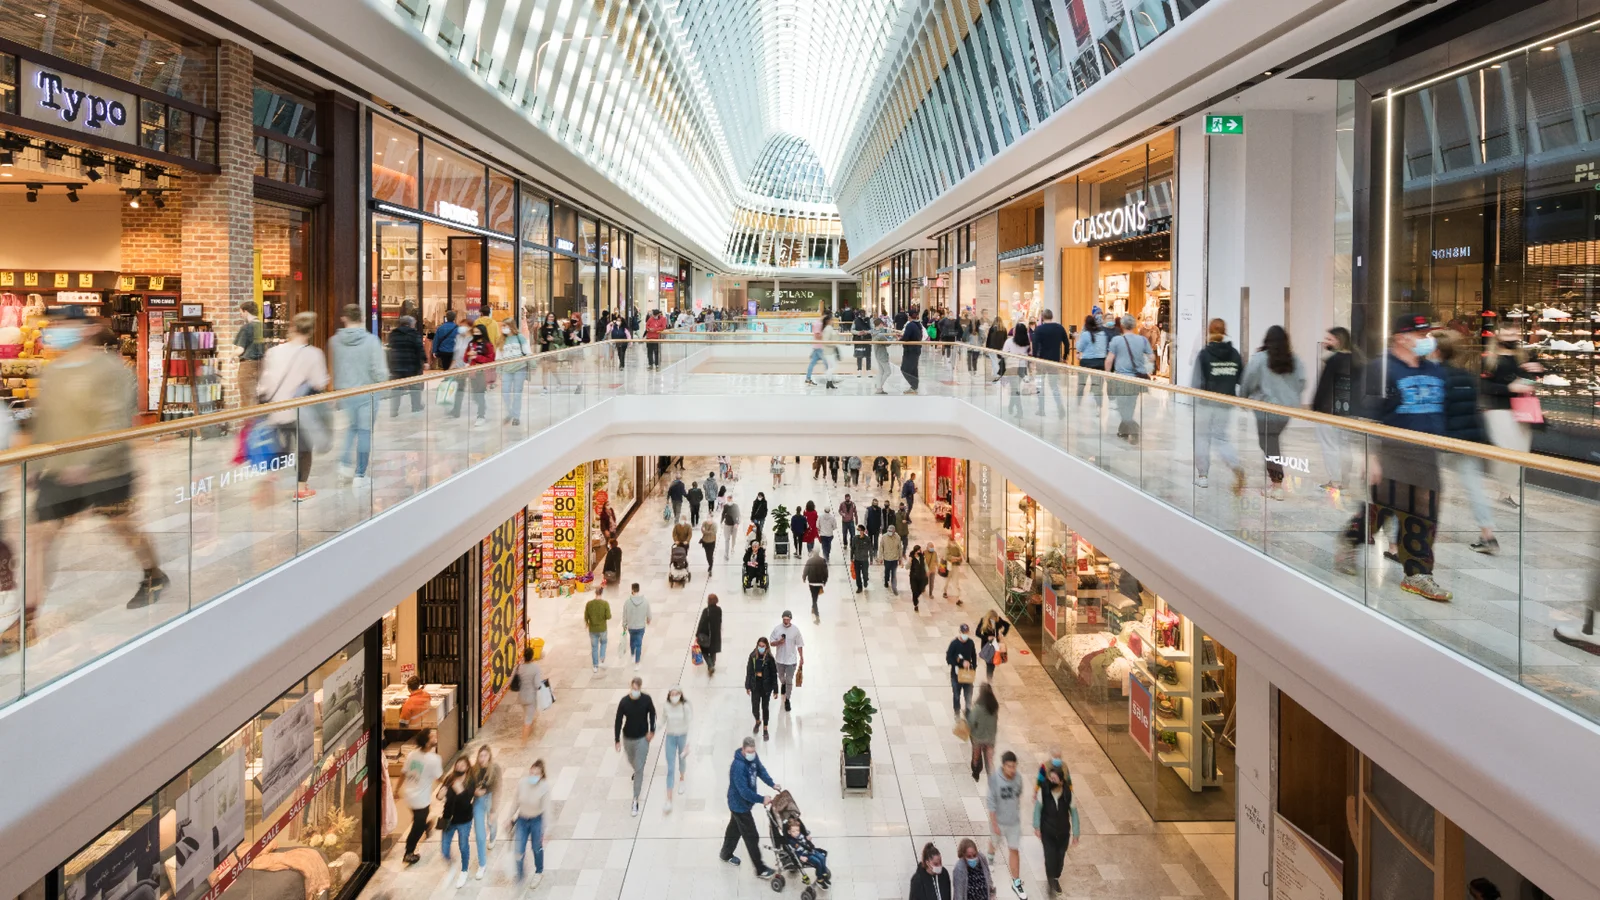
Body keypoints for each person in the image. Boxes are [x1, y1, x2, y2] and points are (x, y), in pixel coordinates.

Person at [20, 313, 167, 623]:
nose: (56, 332)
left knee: (122, 527)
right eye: (54, 326)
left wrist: (87, 460)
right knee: (39, 536)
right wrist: (35, 462)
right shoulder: (53, 372)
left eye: (64, 325)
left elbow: (114, 420)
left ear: (88, 330)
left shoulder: (112, 370)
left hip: (106, 469)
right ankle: (27, 618)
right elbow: (45, 421)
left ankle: (153, 572)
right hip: (60, 469)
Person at [1334, 313, 1451, 602]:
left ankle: (1418, 574)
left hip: (1426, 456)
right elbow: (1367, 416)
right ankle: (1351, 538)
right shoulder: (1381, 369)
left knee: (1424, 513)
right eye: (1421, 335)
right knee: (1380, 509)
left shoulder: (1434, 370)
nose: (1428, 340)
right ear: (1401, 337)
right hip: (1391, 455)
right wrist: (1370, 457)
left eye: (1428, 334)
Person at [1433, 328, 1498, 553]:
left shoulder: (1434, 376)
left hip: (1441, 439)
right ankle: (1487, 534)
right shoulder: (1467, 376)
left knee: (1426, 484)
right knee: (1474, 487)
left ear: (1436, 351)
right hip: (1467, 439)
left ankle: (1423, 529)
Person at [258, 311, 328, 502]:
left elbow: (264, 384)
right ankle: (301, 488)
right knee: (304, 449)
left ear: (292, 328)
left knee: (281, 446)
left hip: (277, 409)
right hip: (302, 412)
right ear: (311, 331)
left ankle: (270, 479)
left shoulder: (273, 352)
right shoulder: (314, 354)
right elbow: (320, 383)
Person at [1240, 324, 1305, 500]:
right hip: (1285, 412)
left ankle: (1277, 485)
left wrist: (1243, 397)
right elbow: (1301, 382)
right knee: (1270, 443)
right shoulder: (1294, 360)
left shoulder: (1260, 358)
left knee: (1269, 446)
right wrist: (1291, 397)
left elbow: (1248, 380)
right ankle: (1275, 481)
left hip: (1265, 410)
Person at [1480, 320, 1541, 506]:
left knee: (1521, 453)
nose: (1512, 339)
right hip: (1499, 410)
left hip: (1523, 410)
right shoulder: (1489, 358)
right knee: (1506, 451)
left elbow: (1531, 379)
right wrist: (1509, 387)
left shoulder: (1522, 357)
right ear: (1498, 334)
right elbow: (1483, 386)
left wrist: (1536, 374)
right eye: (1508, 335)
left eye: (1515, 335)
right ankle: (1503, 489)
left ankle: (1506, 492)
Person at [332, 304, 389, 488]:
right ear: (362, 318)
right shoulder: (372, 341)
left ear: (344, 318)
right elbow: (379, 371)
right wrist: (383, 385)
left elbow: (336, 368)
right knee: (364, 431)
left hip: (346, 393)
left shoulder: (334, 341)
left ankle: (344, 464)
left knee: (351, 428)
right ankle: (360, 474)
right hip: (367, 393)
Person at [1191, 317, 1246, 493]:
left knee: (1202, 438)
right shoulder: (1235, 354)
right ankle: (1234, 464)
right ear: (1224, 333)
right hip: (1226, 402)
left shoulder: (1204, 354)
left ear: (1209, 332)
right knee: (1221, 438)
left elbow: (1196, 382)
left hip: (1206, 403)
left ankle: (1203, 477)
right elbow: (1241, 378)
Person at [720, 736, 779, 877]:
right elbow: (744, 792)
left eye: (753, 751)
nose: (752, 754)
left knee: (734, 829)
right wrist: (761, 799)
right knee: (752, 836)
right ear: (743, 750)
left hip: (743, 804)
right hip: (739, 805)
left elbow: (760, 770)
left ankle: (725, 854)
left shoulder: (753, 758)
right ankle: (760, 869)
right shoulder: (738, 767)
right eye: (749, 751)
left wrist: (772, 784)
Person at [1311, 326, 1359, 491]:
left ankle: (1336, 480)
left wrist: (1317, 407)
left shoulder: (1333, 360)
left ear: (1339, 341)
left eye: (1329, 339)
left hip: (1329, 412)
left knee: (1329, 446)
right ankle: (1344, 480)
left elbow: (1325, 388)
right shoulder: (1356, 359)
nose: (1325, 342)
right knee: (1344, 446)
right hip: (1348, 411)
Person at [1103, 314, 1153, 444]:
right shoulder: (1142, 340)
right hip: (1137, 379)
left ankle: (1134, 429)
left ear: (1122, 326)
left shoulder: (1116, 340)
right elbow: (1152, 357)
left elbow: (1109, 360)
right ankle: (1123, 432)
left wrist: (1107, 375)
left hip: (1122, 378)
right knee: (1130, 406)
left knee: (1121, 406)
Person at [987, 751, 1028, 900]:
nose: (1012, 770)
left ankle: (1016, 882)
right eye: (1009, 766)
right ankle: (990, 859)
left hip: (1013, 822)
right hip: (998, 821)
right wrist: (994, 823)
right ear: (1003, 766)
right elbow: (991, 804)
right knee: (994, 842)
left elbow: (1019, 794)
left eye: (1014, 766)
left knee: (1014, 849)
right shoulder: (994, 780)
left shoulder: (1018, 779)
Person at [614, 676, 656, 816]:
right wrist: (617, 739)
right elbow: (618, 720)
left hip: (642, 738)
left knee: (639, 769)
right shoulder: (624, 702)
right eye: (633, 689)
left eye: (637, 689)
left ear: (640, 688)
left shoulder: (646, 699)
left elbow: (652, 713)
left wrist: (652, 730)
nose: (635, 691)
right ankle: (636, 769)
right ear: (630, 687)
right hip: (628, 738)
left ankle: (635, 799)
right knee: (631, 760)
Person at [1034, 762, 1079, 896]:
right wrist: (1036, 826)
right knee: (1050, 857)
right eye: (1050, 779)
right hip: (1047, 831)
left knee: (1060, 858)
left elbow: (1074, 813)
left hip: (1063, 832)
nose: (1051, 781)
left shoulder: (1068, 794)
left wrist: (1076, 832)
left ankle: (1055, 876)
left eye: (1054, 779)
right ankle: (1051, 881)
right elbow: (1037, 809)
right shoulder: (1044, 790)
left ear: (1061, 781)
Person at [400, 730, 443, 865]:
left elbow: (404, 772)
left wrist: (397, 788)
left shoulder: (412, 755)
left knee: (419, 817)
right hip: (421, 798)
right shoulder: (434, 759)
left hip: (409, 795)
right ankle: (409, 852)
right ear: (426, 741)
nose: (436, 737)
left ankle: (427, 826)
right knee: (417, 825)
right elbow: (440, 777)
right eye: (433, 736)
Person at [436, 755, 476, 885]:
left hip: (464, 820)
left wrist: (460, 790)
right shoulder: (449, 779)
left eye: (463, 765)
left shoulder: (470, 781)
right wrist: (440, 794)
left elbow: (466, 803)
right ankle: (451, 865)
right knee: (444, 848)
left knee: (463, 845)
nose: (459, 767)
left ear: (467, 768)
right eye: (458, 764)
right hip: (448, 819)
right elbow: (440, 796)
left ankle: (464, 870)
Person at [510, 760, 549, 883]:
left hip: (536, 820)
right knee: (519, 849)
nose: (533, 776)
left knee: (536, 847)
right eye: (531, 773)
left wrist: (545, 830)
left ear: (541, 775)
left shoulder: (544, 787)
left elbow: (547, 810)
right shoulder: (522, 783)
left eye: (536, 774)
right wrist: (509, 817)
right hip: (522, 819)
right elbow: (516, 801)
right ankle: (520, 874)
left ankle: (539, 871)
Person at [467, 744, 501, 879]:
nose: (482, 758)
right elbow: (468, 786)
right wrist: (473, 792)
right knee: (480, 833)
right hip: (478, 802)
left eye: (485, 755)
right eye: (480, 755)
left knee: (492, 823)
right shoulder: (473, 770)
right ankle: (482, 864)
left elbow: (498, 789)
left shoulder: (495, 769)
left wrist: (493, 810)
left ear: (489, 756)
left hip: (491, 798)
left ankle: (493, 836)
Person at [453, 321, 496, 422]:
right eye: (475, 332)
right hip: (473, 372)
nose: (476, 334)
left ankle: (481, 415)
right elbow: (465, 357)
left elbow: (490, 359)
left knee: (479, 393)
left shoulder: (488, 345)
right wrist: (468, 356)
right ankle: (482, 407)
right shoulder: (471, 343)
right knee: (475, 394)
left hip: (483, 372)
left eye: (478, 332)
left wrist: (477, 356)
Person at [386, 314, 427, 415]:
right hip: (411, 365)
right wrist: (425, 361)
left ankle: (394, 410)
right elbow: (419, 348)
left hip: (396, 364)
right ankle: (416, 406)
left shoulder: (393, 334)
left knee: (396, 388)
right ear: (411, 324)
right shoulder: (414, 334)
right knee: (414, 387)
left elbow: (390, 347)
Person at [661, 686, 692, 812]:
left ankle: (682, 778)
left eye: (676, 693)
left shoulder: (685, 707)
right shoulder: (666, 706)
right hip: (670, 737)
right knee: (670, 767)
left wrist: (688, 744)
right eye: (672, 694)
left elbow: (690, 722)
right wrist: (653, 730)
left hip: (682, 737)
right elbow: (663, 720)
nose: (674, 696)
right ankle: (669, 799)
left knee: (682, 760)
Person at [770, 611, 805, 711]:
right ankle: (783, 684)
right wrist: (779, 642)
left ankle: (787, 700)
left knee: (790, 680)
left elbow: (799, 644)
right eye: (784, 619)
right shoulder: (777, 629)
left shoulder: (795, 630)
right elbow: (771, 643)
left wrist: (801, 657)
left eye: (787, 619)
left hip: (791, 661)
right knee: (781, 677)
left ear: (790, 619)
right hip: (780, 659)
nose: (786, 621)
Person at [500, 316, 532, 425]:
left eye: (505, 326)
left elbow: (527, 352)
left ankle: (516, 416)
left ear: (511, 326)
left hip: (519, 368)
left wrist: (532, 365)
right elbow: (498, 356)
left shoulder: (520, 337)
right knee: (505, 392)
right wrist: (498, 370)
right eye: (502, 326)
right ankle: (510, 412)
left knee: (517, 393)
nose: (503, 328)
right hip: (506, 369)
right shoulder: (501, 340)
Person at [745, 636, 778, 738]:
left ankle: (765, 728)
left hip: (766, 687)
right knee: (755, 708)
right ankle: (758, 721)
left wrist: (775, 689)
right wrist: (748, 686)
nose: (761, 648)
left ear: (766, 646)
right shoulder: (752, 656)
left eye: (763, 646)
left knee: (765, 708)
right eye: (759, 646)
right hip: (755, 686)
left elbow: (773, 674)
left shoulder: (770, 659)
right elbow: (749, 671)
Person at [234, 300, 265, 407]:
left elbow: (240, 350)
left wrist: (231, 356)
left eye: (241, 313)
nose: (241, 315)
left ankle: (249, 422)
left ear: (246, 311)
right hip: (262, 365)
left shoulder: (246, 328)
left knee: (247, 398)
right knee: (259, 397)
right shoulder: (263, 326)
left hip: (248, 365)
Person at [967, 683, 999, 781]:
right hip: (990, 738)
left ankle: (976, 772)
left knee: (976, 756)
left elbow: (971, 722)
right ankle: (992, 779)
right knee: (990, 761)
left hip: (978, 737)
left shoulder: (977, 708)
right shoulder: (995, 707)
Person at [946, 622, 979, 716]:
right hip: (956, 675)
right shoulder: (954, 644)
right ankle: (957, 713)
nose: (965, 635)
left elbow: (973, 655)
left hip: (967, 673)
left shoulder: (970, 643)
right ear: (960, 632)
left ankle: (968, 712)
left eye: (967, 633)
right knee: (956, 695)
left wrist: (974, 668)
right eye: (964, 632)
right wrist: (960, 662)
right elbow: (949, 659)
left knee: (968, 695)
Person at [1075, 315, 1107, 404]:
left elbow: (1079, 348)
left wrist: (1077, 338)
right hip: (1100, 362)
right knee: (1098, 386)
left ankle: (1078, 402)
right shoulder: (1102, 334)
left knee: (1081, 384)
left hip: (1087, 362)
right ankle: (1099, 406)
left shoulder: (1085, 334)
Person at [1002, 323, 1031, 418]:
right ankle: (1011, 406)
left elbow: (1004, 354)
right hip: (1023, 367)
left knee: (1015, 389)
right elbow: (1030, 353)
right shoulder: (1027, 342)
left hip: (1013, 367)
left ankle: (1020, 411)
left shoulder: (1009, 341)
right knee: (1015, 388)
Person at [516, 647, 543, 741]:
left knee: (528, 715)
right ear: (532, 656)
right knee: (528, 720)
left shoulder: (520, 667)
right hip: (531, 698)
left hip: (521, 697)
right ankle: (524, 743)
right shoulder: (535, 668)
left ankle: (530, 735)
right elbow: (537, 684)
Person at [975, 611, 1012, 679]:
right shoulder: (983, 620)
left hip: (995, 645)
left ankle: (989, 678)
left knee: (991, 664)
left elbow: (1007, 625)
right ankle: (989, 679)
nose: (994, 621)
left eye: (995, 620)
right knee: (989, 663)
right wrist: (987, 637)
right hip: (986, 645)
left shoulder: (998, 620)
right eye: (992, 619)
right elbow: (977, 633)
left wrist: (1002, 634)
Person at [623, 583, 651, 666]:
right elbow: (649, 613)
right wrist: (648, 619)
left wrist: (624, 624)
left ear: (632, 590)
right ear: (639, 589)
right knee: (639, 643)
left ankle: (632, 654)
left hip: (631, 626)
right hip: (641, 626)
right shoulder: (645, 601)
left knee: (632, 640)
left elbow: (624, 614)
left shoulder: (627, 602)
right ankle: (637, 661)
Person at [585, 586, 611, 671]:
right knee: (604, 642)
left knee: (594, 647)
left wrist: (587, 623)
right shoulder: (605, 604)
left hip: (592, 629)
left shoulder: (589, 604)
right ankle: (602, 657)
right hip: (602, 628)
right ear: (601, 593)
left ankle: (595, 666)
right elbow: (608, 616)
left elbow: (586, 616)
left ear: (595, 593)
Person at [696, 594, 723, 676]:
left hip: (706, 635)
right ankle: (712, 664)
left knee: (704, 651)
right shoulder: (719, 610)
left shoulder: (706, 611)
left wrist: (698, 634)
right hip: (715, 635)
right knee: (713, 651)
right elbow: (720, 621)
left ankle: (710, 665)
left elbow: (701, 622)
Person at [901, 310, 925, 393]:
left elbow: (906, 337)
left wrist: (900, 339)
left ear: (909, 316)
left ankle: (914, 386)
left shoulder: (910, 325)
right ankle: (914, 387)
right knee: (914, 369)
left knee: (905, 369)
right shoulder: (919, 324)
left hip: (910, 350)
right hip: (916, 349)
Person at [805, 312, 831, 384]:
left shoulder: (818, 323)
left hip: (817, 346)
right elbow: (817, 336)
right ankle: (829, 380)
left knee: (812, 363)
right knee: (827, 363)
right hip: (820, 347)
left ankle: (808, 378)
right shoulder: (818, 324)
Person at [803, 548, 829, 616]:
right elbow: (825, 572)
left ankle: (815, 610)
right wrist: (825, 580)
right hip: (819, 582)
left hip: (811, 581)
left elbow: (806, 569)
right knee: (815, 595)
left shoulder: (810, 561)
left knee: (813, 595)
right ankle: (814, 607)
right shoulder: (822, 561)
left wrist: (804, 577)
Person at [881, 527, 904, 594]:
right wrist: (880, 558)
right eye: (888, 530)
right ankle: (886, 581)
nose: (889, 532)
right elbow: (881, 547)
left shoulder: (898, 537)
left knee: (894, 573)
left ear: (894, 531)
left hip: (894, 559)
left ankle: (894, 587)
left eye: (891, 531)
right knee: (887, 571)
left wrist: (900, 558)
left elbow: (900, 548)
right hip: (887, 558)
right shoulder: (884, 537)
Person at [851, 524, 872, 592]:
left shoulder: (867, 539)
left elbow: (870, 549)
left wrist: (871, 559)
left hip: (865, 560)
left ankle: (865, 581)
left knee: (865, 573)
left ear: (863, 531)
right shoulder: (854, 538)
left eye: (859, 530)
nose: (858, 531)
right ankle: (859, 587)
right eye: (858, 530)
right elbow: (852, 548)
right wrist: (851, 557)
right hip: (857, 559)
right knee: (857, 574)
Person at [908, 546, 930, 611]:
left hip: (922, 576)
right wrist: (909, 562)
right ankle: (915, 604)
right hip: (913, 577)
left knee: (921, 589)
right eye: (918, 550)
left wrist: (927, 571)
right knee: (914, 591)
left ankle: (915, 598)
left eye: (920, 550)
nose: (919, 551)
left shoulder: (922, 557)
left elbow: (925, 565)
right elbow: (907, 567)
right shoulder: (911, 557)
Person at [720, 494, 742, 560]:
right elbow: (723, 514)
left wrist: (737, 523)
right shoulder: (725, 506)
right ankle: (726, 554)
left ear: (732, 499)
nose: (729, 499)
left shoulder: (735, 506)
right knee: (727, 539)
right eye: (728, 498)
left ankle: (732, 547)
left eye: (730, 498)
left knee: (734, 538)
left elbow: (738, 515)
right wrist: (721, 522)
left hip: (734, 525)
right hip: (727, 524)